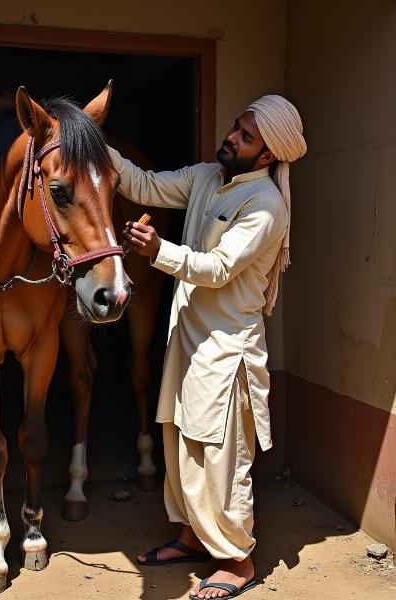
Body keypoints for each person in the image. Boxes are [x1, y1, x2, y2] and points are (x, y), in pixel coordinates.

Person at [111, 95, 306, 599]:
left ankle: (237, 560)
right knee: (180, 446)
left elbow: (218, 268)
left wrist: (158, 252)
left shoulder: (265, 206)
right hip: (187, 341)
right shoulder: (204, 177)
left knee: (220, 457)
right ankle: (192, 538)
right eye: (236, 128)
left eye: (245, 137)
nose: (231, 138)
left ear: (266, 157)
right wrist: (92, 143)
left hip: (226, 350)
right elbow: (142, 184)